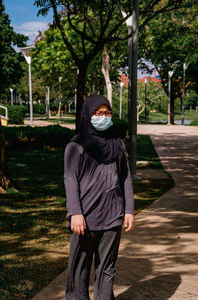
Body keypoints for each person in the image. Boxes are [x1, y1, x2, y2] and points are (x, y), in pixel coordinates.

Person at [64, 95, 135, 300]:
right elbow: (70, 179)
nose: (103, 117)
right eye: (98, 113)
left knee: (107, 269)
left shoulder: (117, 144)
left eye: (107, 113)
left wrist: (129, 209)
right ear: (88, 115)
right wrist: (75, 212)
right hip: (85, 219)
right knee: (79, 271)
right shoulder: (76, 145)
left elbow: (126, 176)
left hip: (112, 216)